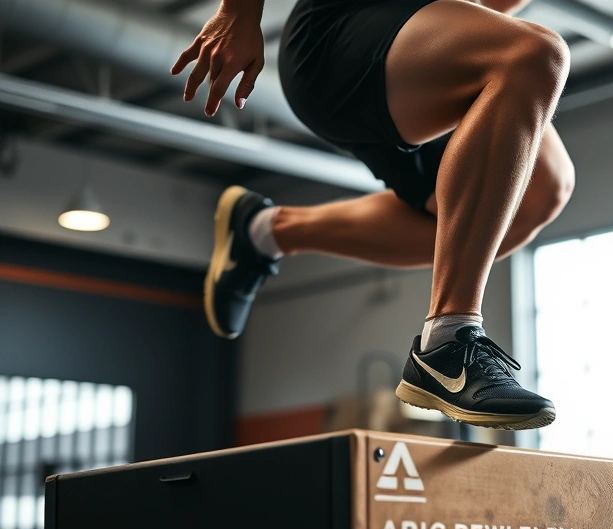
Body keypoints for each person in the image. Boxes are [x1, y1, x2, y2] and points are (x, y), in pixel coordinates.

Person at [172, 0, 574, 430]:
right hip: (337, 36)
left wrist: (470, 39)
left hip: (420, 37)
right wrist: (239, 13)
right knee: (534, 54)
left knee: (535, 195)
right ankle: (448, 344)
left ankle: (262, 231)